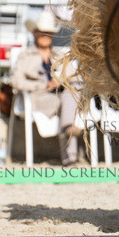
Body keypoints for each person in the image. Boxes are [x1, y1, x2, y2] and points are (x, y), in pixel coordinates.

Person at [11, 10, 83, 164]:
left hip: (62, 95)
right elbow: (17, 82)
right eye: (42, 33)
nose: (45, 36)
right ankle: (69, 154)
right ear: (35, 33)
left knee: (72, 91)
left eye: (48, 33)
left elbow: (73, 77)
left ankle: (67, 130)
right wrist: (44, 85)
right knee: (69, 104)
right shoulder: (25, 56)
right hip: (38, 97)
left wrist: (61, 81)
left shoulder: (60, 56)